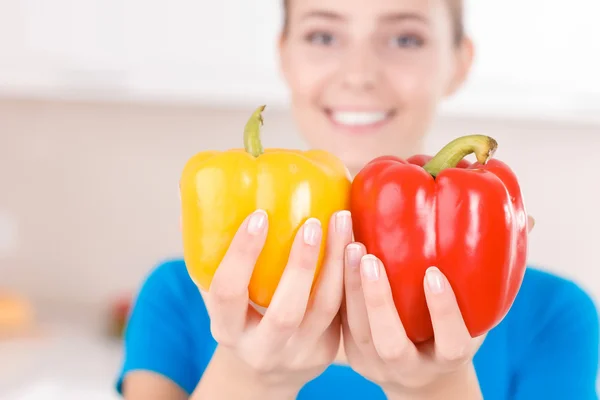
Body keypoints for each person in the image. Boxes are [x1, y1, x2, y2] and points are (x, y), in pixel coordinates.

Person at [115, 0, 600, 399]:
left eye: (405, 38)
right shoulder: (176, 297)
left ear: (459, 63)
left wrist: (437, 388)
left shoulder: (554, 316)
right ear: (283, 55)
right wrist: (251, 378)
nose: (359, 74)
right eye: (323, 36)